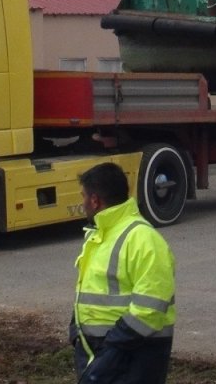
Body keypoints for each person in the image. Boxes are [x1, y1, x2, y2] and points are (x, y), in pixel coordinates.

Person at [70, 162, 176, 384]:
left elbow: (149, 309)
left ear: (95, 200)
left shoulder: (143, 240)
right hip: (104, 354)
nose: (82, 204)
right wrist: (77, 332)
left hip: (132, 358)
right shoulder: (100, 236)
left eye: (83, 197)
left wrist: (110, 353)